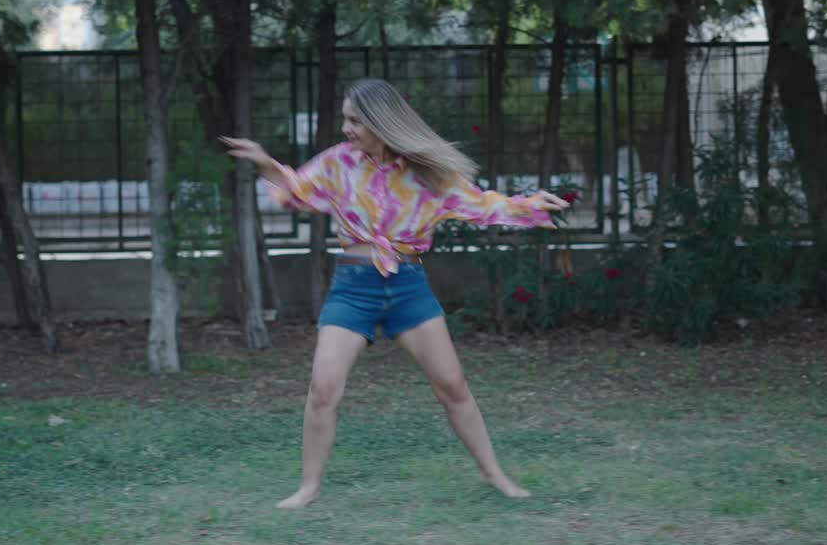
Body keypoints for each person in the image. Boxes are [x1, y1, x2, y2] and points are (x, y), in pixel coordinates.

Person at [219, 78, 572, 508]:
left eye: (355, 121)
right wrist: (264, 162)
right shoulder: (338, 163)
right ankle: (308, 488)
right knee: (323, 389)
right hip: (353, 288)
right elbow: (296, 191)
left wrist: (531, 206)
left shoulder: (428, 174)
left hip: (408, 286)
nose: (346, 128)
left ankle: (493, 473)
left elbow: (481, 205)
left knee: (453, 386)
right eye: (346, 119)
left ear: (380, 122)